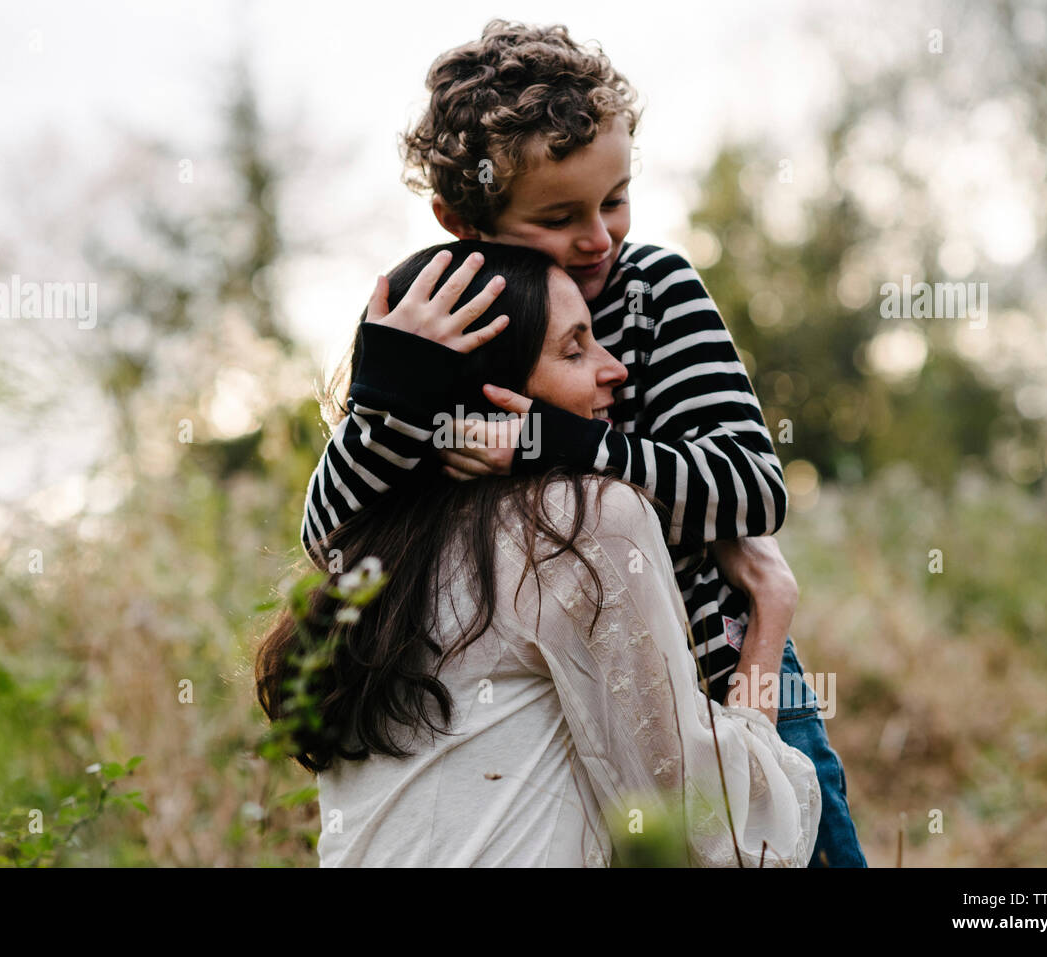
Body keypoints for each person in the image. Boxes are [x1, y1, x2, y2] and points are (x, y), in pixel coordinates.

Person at [299, 21, 866, 866]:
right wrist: (385, 402)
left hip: (716, 673)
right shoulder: (455, 325)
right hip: (568, 691)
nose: (600, 236)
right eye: (560, 216)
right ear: (465, 221)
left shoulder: (656, 292)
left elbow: (754, 488)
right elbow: (331, 538)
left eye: (616, 199)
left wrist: (559, 441)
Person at [257, 241, 821, 866]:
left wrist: (394, 397)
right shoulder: (581, 521)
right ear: (494, 391)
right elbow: (716, 831)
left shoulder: (370, 554)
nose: (616, 370)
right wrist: (771, 606)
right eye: (575, 349)